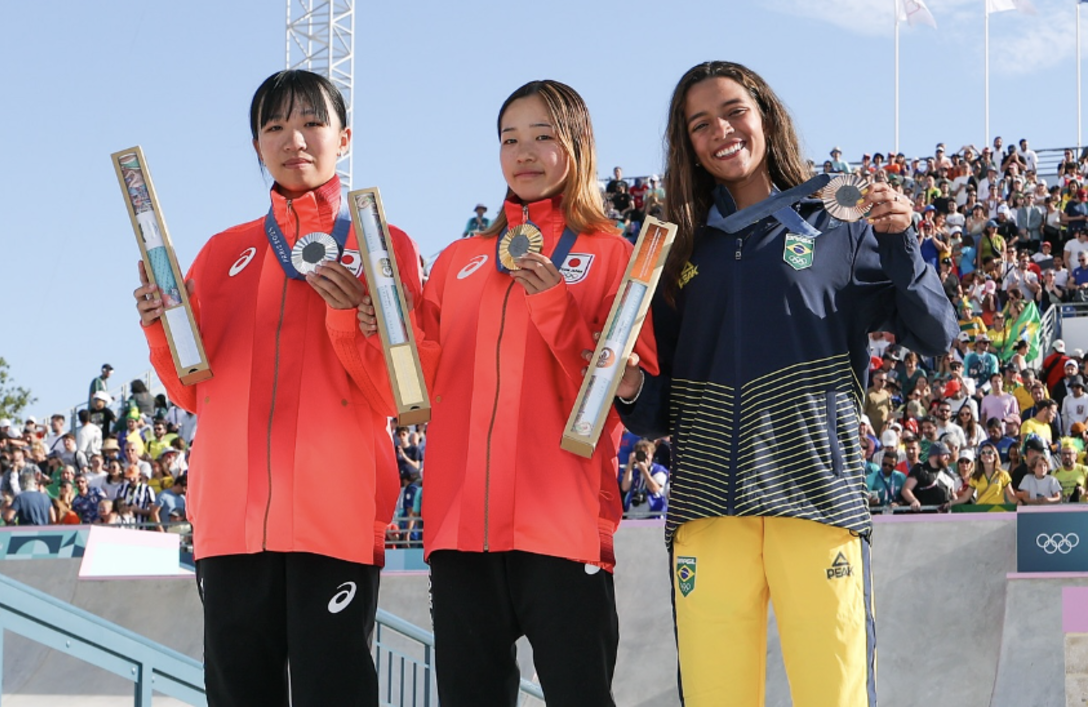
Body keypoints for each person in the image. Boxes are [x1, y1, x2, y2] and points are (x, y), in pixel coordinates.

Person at [614, 61, 957, 707]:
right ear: (685, 143)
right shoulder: (676, 249)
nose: (722, 130)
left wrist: (901, 240)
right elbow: (660, 413)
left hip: (817, 499)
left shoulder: (838, 222)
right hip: (706, 514)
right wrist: (630, 385)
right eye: (700, 124)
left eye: (734, 111)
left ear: (765, 114)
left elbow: (935, 334)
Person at [133, 69, 425, 707]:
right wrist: (162, 330)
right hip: (230, 521)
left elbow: (401, 395)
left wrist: (351, 322)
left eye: (311, 123)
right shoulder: (221, 253)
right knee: (238, 691)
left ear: (344, 138)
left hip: (334, 514)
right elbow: (194, 392)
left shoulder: (382, 246)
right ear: (257, 146)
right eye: (274, 127)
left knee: (334, 688)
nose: (294, 139)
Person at [366, 79, 656, 706]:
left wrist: (555, 301)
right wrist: (369, 326)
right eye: (509, 139)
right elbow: (413, 388)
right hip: (459, 531)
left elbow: (631, 392)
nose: (524, 152)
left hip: (563, 528)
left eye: (543, 136)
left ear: (577, 145)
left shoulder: (613, 256)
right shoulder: (458, 261)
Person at [953, 443, 1017, 506]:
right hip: (981, 512)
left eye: (989, 452)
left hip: (997, 511)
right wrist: (950, 503)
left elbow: (1011, 496)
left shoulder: (1003, 474)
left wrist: (1019, 502)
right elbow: (965, 497)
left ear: (995, 456)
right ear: (980, 457)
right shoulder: (976, 476)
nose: (986, 454)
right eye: (983, 452)